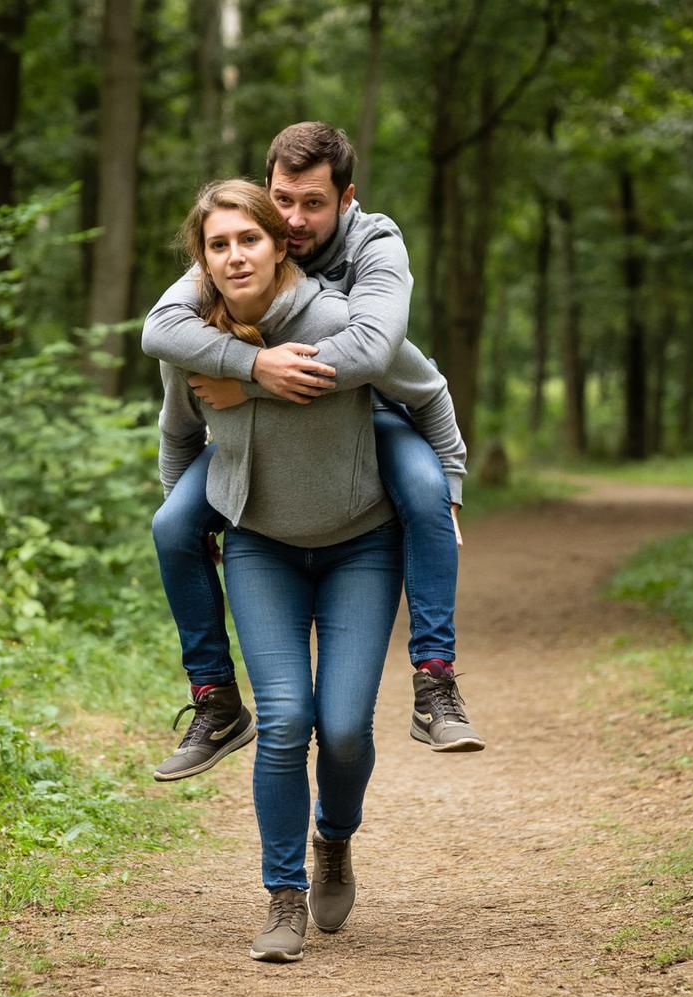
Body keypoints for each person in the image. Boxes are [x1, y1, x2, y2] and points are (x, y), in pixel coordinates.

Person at [156, 179, 468, 961]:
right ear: (202, 257)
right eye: (218, 245)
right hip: (260, 546)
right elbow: (178, 435)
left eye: (249, 240)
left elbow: (426, 393)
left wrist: (447, 488)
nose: (234, 257)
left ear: (278, 241)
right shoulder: (191, 334)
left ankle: (335, 837)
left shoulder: (342, 323)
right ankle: (283, 897)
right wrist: (199, 523)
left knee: (344, 731)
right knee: (286, 722)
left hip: (361, 545)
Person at [145, 122, 484, 784]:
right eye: (283, 201)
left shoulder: (376, 243)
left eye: (313, 204)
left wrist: (248, 382)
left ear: (346, 199)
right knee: (172, 525)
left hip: (379, 409)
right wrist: (251, 368)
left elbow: (377, 354)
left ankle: (435, 678)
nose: (294, 221)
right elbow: (160, 330)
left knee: (423, 491)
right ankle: (214, 700)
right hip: (267, 426)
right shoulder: (244, 240)